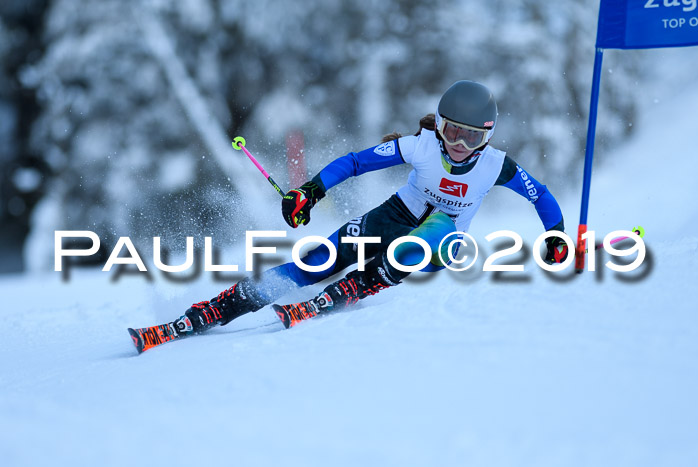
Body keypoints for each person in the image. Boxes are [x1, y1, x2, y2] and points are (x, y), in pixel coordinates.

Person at [165, 80, 568, 338]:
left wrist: (557, 235)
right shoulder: (420, 145)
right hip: (396, 214)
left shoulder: (496, 165)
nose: (460, 145)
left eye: (472, 136)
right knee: (318, 260)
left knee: (429, 236)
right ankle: (227, 304)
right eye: (452, 132)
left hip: (443, 238)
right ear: (440, 125)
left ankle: (362, 282)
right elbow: (357, 162)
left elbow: (541, 196)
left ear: (488, 136)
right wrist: (311, 191)